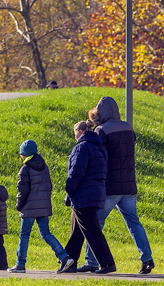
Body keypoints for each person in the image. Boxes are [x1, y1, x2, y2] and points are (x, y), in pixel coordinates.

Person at [81, 96, 154, 274]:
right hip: (129, 186)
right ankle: (147, 258)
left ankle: (91, 260)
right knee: (134, 223)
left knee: (95, 223)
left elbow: (98, 157)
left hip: (110, 186)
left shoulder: (101, 131)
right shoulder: (128, 128)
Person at [58, 121, 116, 275]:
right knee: (77, 232)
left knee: (92, 231)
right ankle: (69, 262)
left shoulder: (81, 147)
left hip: (83, 195)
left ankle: (107, 263)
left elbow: (76, 172)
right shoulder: (99, 147)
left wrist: (69, 188)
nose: (74, 136)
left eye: (75, 132)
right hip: (95, 193)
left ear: (81, 131)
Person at [9, 140, 70, 273]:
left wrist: (19, 205)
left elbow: (22, 191)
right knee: (46, 233)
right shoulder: (44, 167)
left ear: (25, 154)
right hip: (43, 206)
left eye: (21, 154)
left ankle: (20, 264)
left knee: (24, 235)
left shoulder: (25, 169)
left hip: (29, 208)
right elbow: (49, 186)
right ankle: (64, 257)